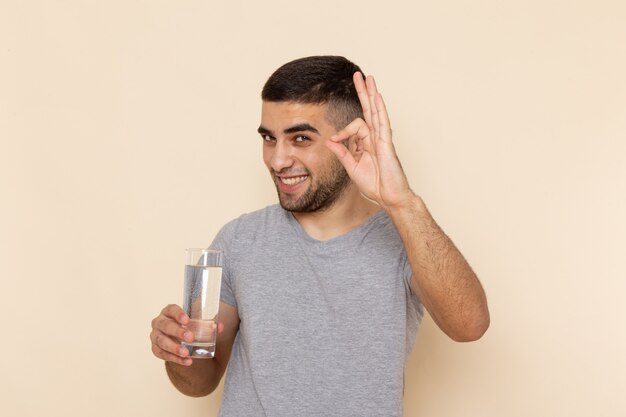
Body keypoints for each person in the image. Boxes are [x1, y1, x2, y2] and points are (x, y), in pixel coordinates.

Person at [150, 56, 490, 416]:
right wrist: (178, 352)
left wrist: (401, 202)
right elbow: (198, 383)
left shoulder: (406, 240)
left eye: (300, 138)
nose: (278, 160)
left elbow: (470, 326)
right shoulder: (235, 240)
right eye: (269, 138)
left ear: (354, 142)